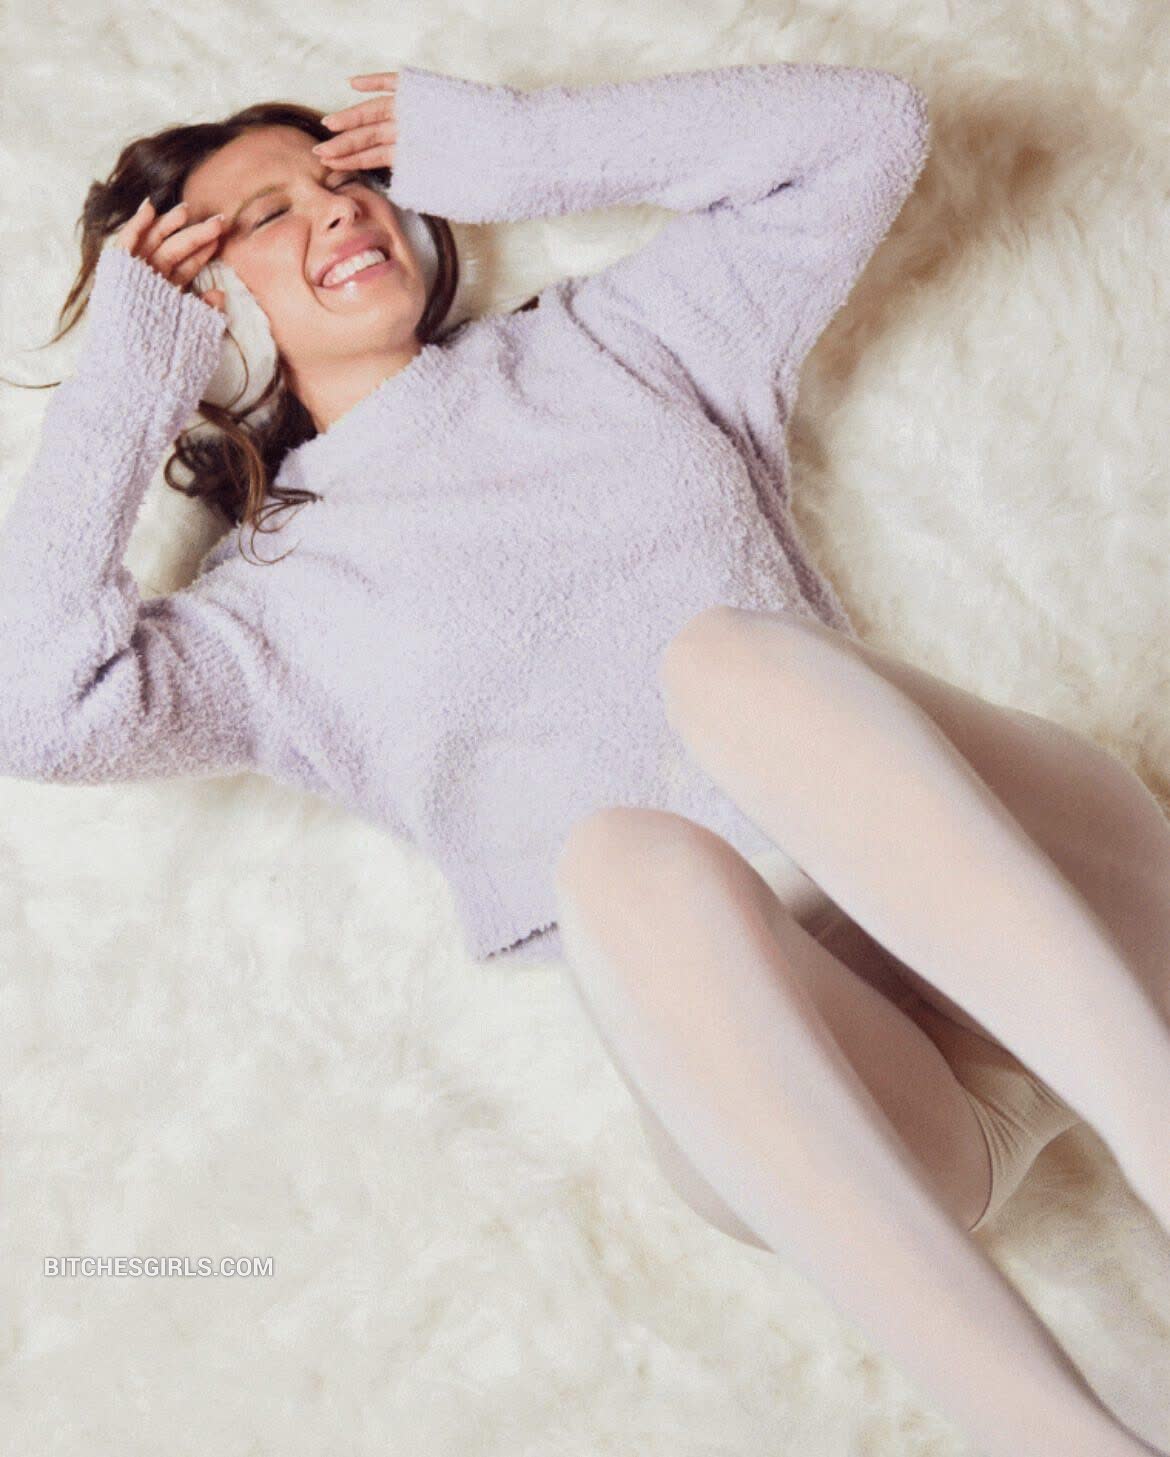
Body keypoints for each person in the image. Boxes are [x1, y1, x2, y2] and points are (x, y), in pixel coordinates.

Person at [0, 57, 1165, 1454]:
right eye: (264, 215)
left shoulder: (622, 342)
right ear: (202, 316)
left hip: (1061, 895)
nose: (336, 210)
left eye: (346, 177)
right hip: (855, 1109)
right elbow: (35, 706)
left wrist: (506, 149)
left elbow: (864, 132)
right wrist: (129, 378)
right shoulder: (264, 621)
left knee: (725, 663)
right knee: (614, 858)